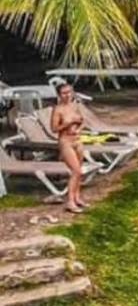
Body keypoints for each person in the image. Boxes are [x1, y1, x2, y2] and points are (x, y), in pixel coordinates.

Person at [49, 82, 87, 213]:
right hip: (66, 142)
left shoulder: (75, 106)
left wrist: (79, 129)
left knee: (79, 170)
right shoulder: (57, 109)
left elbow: (82, 121)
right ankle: (70, 202)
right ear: (59, 95)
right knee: (76, 171)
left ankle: (77, 197)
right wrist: (67, 124)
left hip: (77, 140)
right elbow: (54, 129)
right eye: (64, 93)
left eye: (69, 92)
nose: (67, 95)